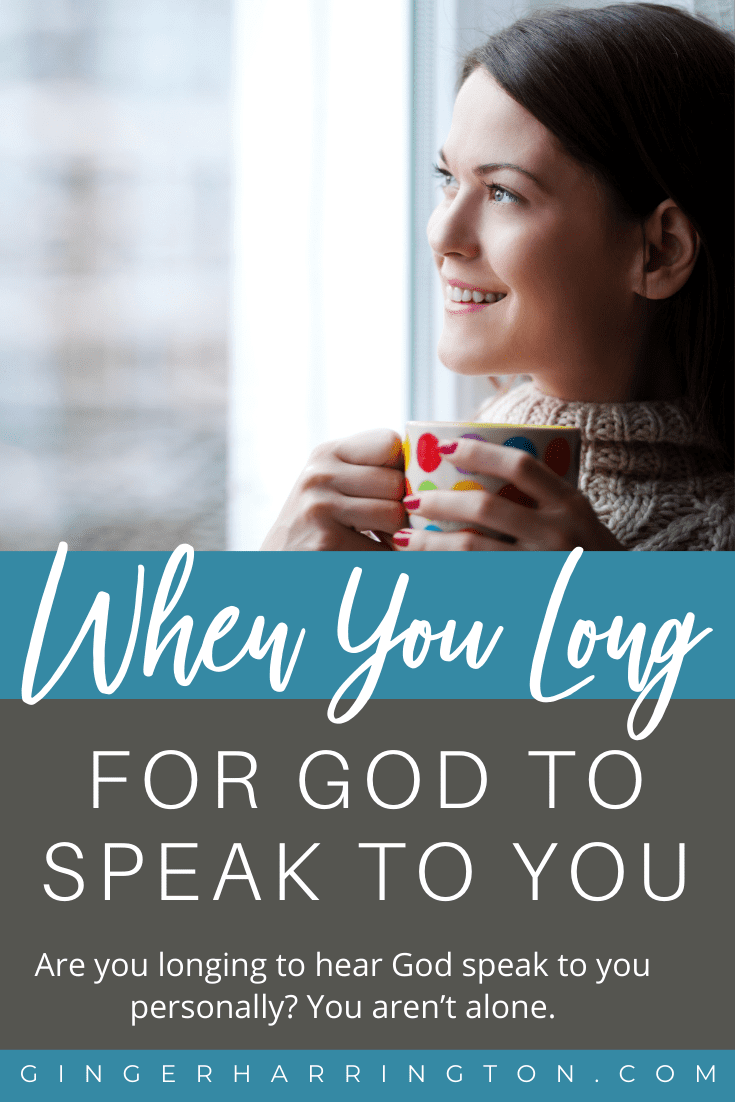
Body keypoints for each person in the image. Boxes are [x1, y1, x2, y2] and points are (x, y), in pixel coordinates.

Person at [262, 4, 734, 552]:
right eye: (448, 179)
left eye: (503, 192)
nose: (442, 236)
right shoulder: (403, 501)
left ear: (660, 250)